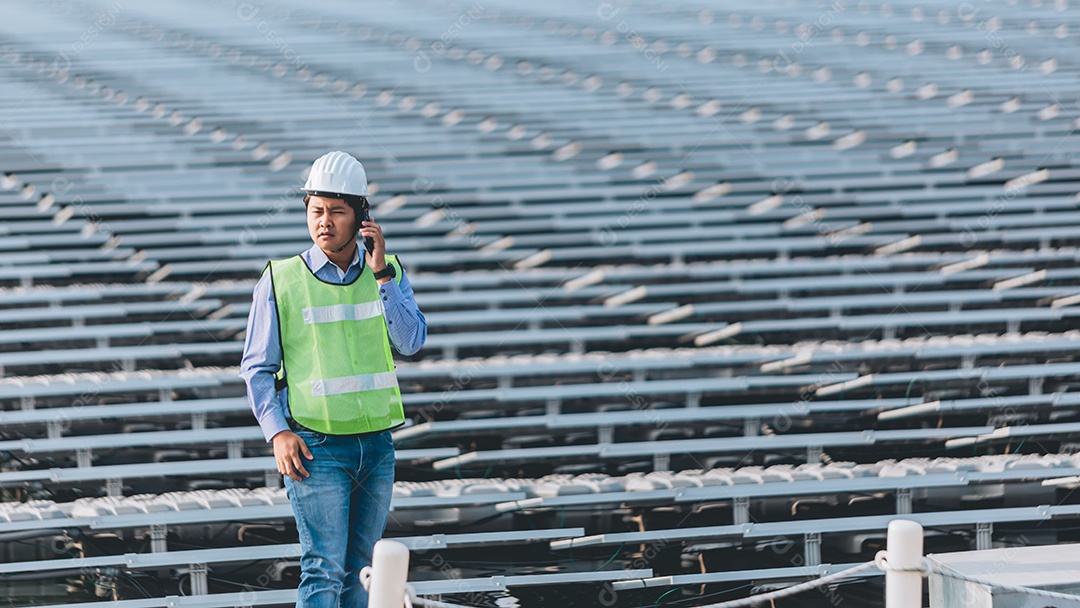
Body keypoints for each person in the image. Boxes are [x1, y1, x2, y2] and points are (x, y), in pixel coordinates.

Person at [240, 150, 427, 607]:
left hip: (377, 446)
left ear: (363, 217)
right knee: (323, 567)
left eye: (336, 211)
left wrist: (382, 273)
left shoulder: (389, 271)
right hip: (315, 447)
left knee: (363, 569)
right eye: (315, 210)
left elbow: (411, 342)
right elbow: (257, 366)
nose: (324, 221)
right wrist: (277, 431)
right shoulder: (280, 279)